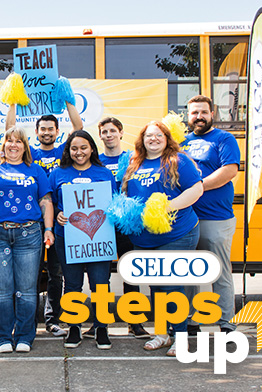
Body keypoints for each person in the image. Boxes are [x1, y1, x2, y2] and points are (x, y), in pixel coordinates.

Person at [0, 127, 54, 354]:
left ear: (25, 146)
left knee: (27, 290)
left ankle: (25, 336)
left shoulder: (35, 169)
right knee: (2, 289)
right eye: (9, 141)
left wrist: (48, 228)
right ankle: (4, 337)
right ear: (4, 145)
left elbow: (45, 200)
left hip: (29, 234)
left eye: (19, 142)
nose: (13, 145)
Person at [122, 121, 203, 357]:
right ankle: (162, 333)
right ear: (142, 139)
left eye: (159, 135)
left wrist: (167, 207)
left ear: (167, 138)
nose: (154, 139)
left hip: (178, 232)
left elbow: (196, 189)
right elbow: (128, 194)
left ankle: (180, 337)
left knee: (172, 285)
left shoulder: (178, 160)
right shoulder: (134, 163)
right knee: (155, 286)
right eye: (149, 135)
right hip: (145, 236)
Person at [4, 101, 83, 337]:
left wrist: (67, 100)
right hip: (30, 222)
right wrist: (12, 102)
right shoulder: (30, 155)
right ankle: (26, 322)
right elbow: (9, 129)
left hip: (59, 222)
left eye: (51, 129)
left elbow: (78, 129)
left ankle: (52, 320)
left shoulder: (63, 153)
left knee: (55, 273)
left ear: (57, 132)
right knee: (28, 274)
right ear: (36, 132)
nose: (47, 132)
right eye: (43, 129)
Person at [49, 130, 116, 350]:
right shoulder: (58, 173)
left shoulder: (104, 173)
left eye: (84, 147)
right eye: (74, 148)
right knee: (72, 284)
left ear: (92, 149)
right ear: (68, 151)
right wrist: (58, 214)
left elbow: (113, 204)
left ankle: (101, 327)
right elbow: (52, 203)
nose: (79, 152)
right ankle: (74, 326)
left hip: (99, 236)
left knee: (100, 284)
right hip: (67, 237)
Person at [181, 95, 240, 335]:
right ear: (188, 116)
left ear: (212, 114)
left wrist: (198, 187)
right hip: (187, 219)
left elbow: (229, 171)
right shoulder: (182, 142)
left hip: (216, 218)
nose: (199, 117)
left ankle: (227, 323)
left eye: (203, 112)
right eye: (194, 113)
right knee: (189, 272)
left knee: (219, 270)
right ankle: (191, 322)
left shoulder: (224, 139)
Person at [97, 117, 151, 340]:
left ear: (120, 133)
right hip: (100, 225)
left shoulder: (133, 159)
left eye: (112, 131)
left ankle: (135, 321)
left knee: (130, 272)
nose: (108, 135)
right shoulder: (96, 161)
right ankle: (100, 323)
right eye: (104, 132)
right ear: (100, 136)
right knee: (100, 276)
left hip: (126, 224)